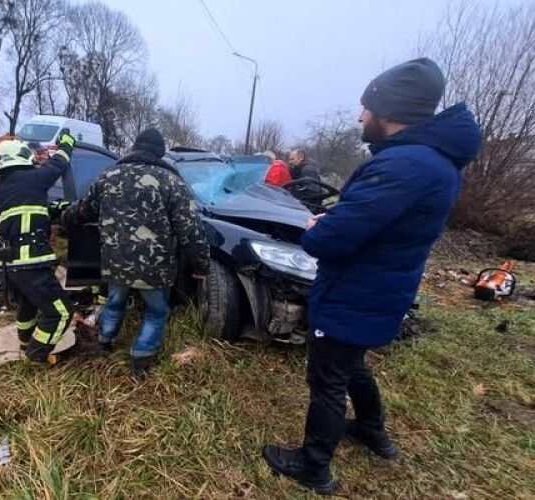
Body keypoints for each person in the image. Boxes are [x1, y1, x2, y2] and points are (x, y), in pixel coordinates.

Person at [262, 57, 482, 494]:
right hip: (381, 289)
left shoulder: (403, 166)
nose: (360, 116)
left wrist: (318, 228)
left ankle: (313, 465)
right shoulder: (432, 162)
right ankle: (371, 430)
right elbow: (376, 222)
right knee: (353, 365)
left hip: (354, 292)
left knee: (326, 380)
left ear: (389, 111)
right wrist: (340, 217)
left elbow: (333, 240)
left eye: (365, 107)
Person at [62, 128, 210, 379]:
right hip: (155, 266)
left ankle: (105, 340)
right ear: (160, 153)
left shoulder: (109, 175)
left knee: (115, 301)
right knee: (157, 311)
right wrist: (200, 265)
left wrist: (64, 218)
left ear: (135, 148)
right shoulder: (171, 181)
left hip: (116, 261)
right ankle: (140, 361)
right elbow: (190, 229)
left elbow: (84, 210)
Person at [0, 133, 76, 363]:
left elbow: (26, 212)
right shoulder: (31, 178)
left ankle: (25, 340)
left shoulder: (3, 187)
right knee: (61, 312)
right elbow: (58, 164)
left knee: (30, 302)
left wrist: (54, 208)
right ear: (22, 156)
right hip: (31, 261)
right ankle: (35, 357)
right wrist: (67, 145)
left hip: (15, 263)